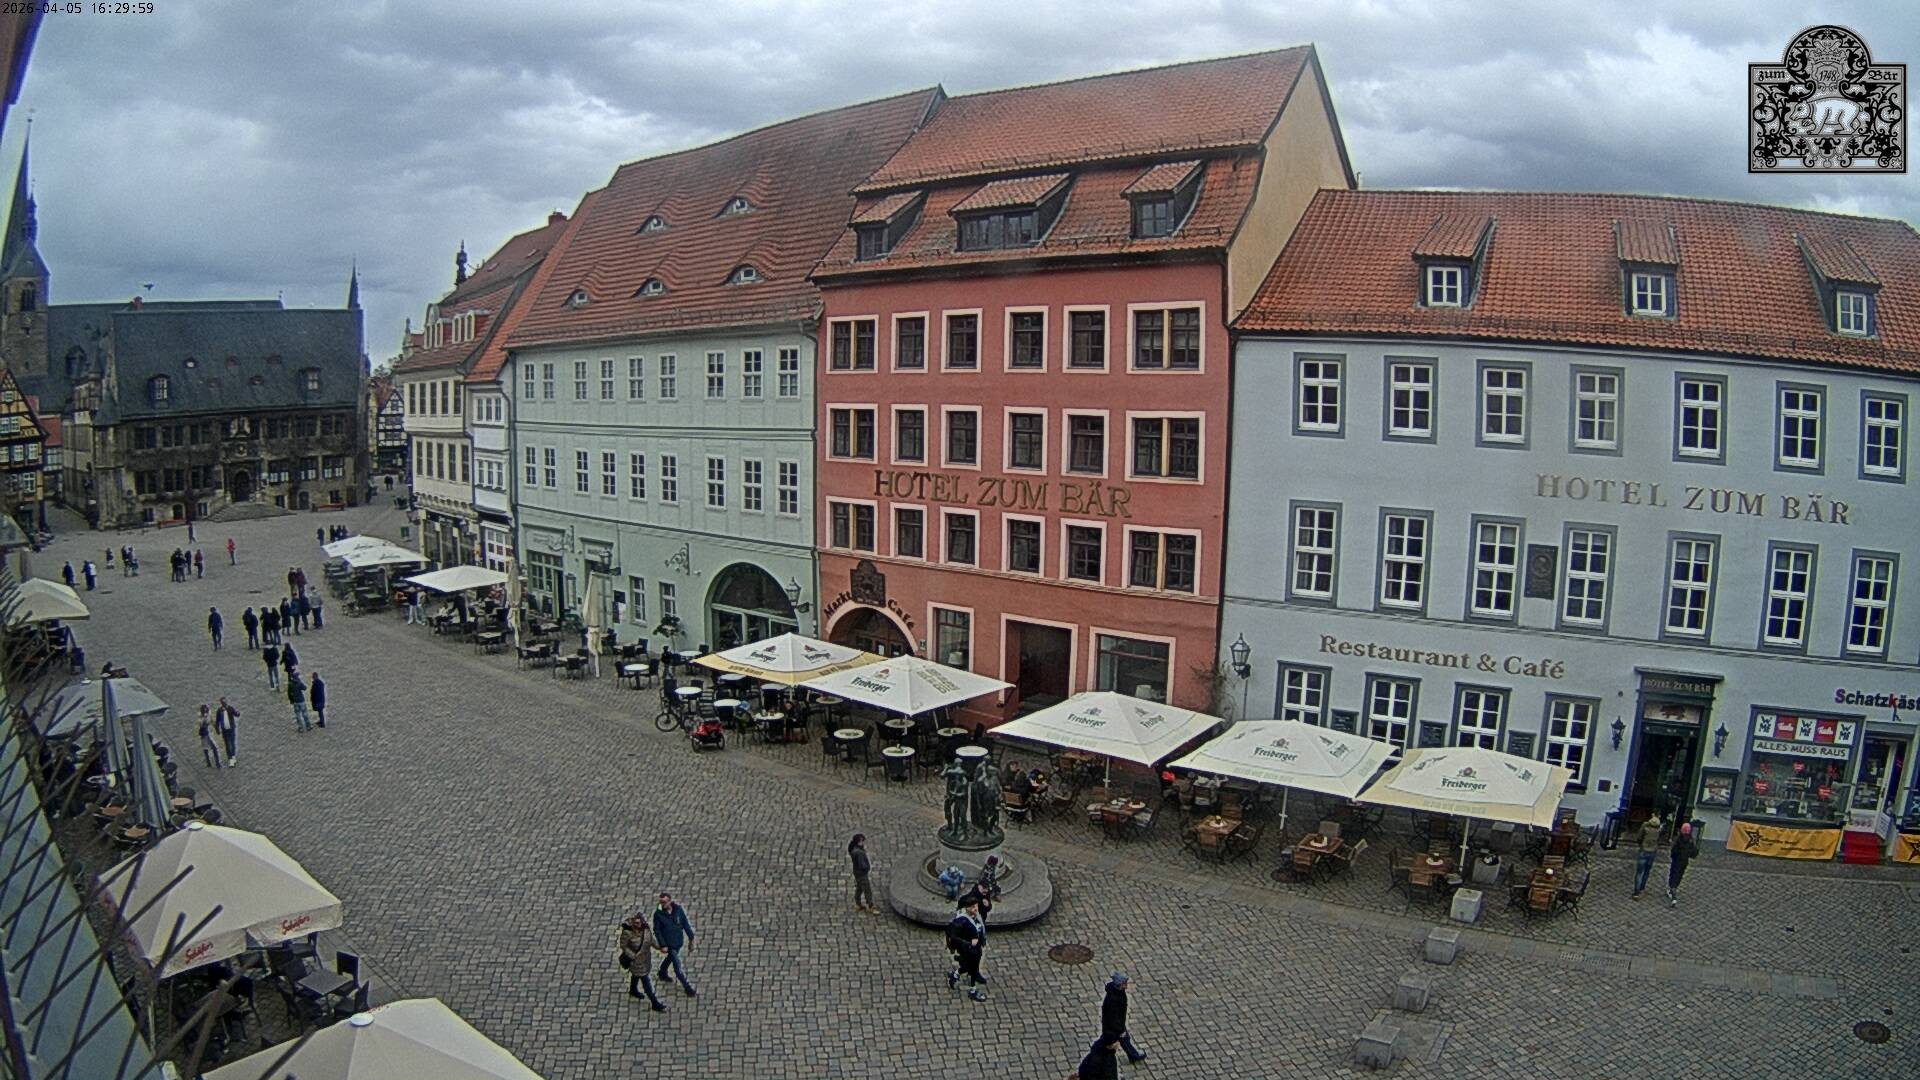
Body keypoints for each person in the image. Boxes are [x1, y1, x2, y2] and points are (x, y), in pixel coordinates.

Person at [618, 912, 667, 1012]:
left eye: (639, 922)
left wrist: (660, 947)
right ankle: (655, 1002)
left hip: (645, 959)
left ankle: (633, 990)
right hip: (635, 961)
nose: (638, 925)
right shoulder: (627, 933)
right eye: (636, 923)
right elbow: (624, 946)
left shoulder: (646, 929)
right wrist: (633, 956)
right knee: (645, 981)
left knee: (636, 975)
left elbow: (651, 940)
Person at [651, 892, 697, 997]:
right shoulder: (658, 914)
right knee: (677, 967)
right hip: (669, 944)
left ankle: (662, 972)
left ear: (670, 901)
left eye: (664, 902)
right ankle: (687, 987)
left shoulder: (678, 910)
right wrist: (663, 945)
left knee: (670, 958)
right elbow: (657, 931)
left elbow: (685, 924)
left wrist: (691, 939)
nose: (662, 904)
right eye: (661, 902)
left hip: (678, 941)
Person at [945, 897, 988, 1002]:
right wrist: (967, 944)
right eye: (973, 907)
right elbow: (953, 936)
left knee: (971, 967)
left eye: (976, 906)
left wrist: (982, 941)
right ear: (966, 908)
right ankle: (973, 990)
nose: (976, 908)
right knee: (972, 969)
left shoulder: (976, 916)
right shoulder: (961, 920)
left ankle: (955, 975)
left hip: (976, 949)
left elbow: (980, 929)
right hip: (968, 950)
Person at [1100, 972, 1147, 1064]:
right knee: (1111, 1042)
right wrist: (1120, 1030)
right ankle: (1133, 1056)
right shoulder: (1113, 1000)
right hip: (1113, 1027)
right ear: (1119, 985)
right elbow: (1113, 1018)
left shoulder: (1118, 992)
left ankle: (1133, 1055)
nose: (1126, 986)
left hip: (1115, 1025)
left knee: (1124, 1039)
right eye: (1124, 984)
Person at [1629, 814, 1663, 899]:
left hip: (1644, 850)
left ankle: (1636, 892)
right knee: (1646, 872)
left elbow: (1639, 837)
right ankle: (1642, 889)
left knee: (1639, 872)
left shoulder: (1645, 825)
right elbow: (1659, 840)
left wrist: (1641, 845)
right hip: (1652, 851)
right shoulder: (1659, 828)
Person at [1666, 822, 1699, 908]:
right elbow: (1694, 852)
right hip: (1684, 862)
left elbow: (1674, 850)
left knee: (1673, 875)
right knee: (1679, 875)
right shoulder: (1691, 840)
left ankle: (1673, 895)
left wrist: (1673, 856)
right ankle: (1673, 889)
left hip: (1676, 860)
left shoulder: (1678, 839)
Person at [849, 834, 877, 915]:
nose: (863, 843)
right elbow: (862, 865)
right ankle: (871, 906)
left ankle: (858, 904)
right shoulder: (859, 853)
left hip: (857, 873)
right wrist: (867, 868)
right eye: (861, 841)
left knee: (860, 887)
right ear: (858, 842)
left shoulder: (854, 849)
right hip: (862, 874)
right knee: (867, 890)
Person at [213, 697, 239, 766]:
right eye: (222, 702)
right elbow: (217, 721)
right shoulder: (219, 711)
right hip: (224, 730)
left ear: (226, 702)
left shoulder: (230, 708)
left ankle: (233, 756)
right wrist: (217, 730)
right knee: (227, 745)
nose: (224, 703)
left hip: (231, 729)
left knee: (232, 743)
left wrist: (237, 712)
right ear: (221, 703)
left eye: (225, 702)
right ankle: (230, 759)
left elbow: (236, 714)